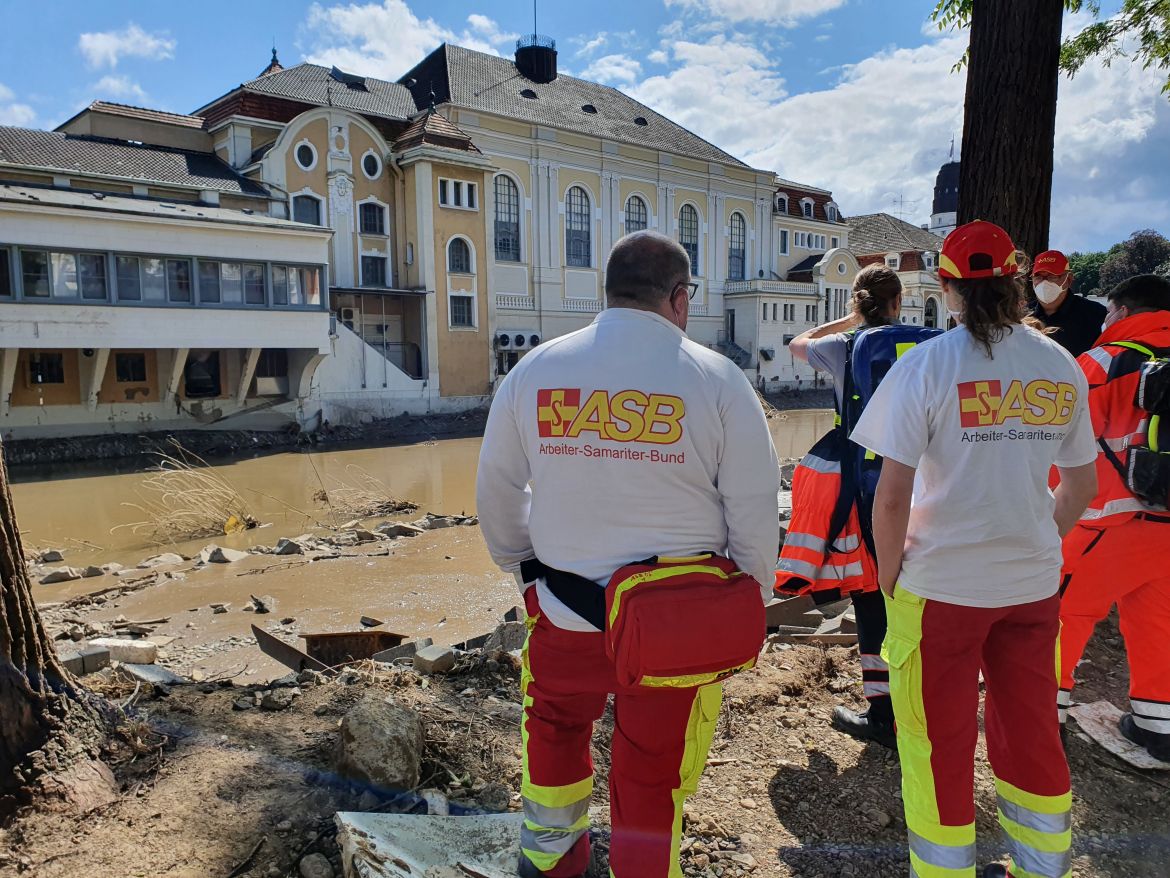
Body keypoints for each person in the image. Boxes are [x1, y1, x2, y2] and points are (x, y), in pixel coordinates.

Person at [476, 230, 779, 878]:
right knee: (651, 779)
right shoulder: (720, 379)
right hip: (677, 629)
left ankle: (551, 867)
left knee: (554, 742)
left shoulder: (535, 371)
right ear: (679, 298)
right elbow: (754, 516)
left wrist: (526, 574)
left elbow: (497, 493)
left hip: (561, 614)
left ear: (605, 294)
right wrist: (745, 606)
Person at [852, 221, 1098, 878]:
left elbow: (891, 495)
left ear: (947, 286)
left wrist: (889, 575)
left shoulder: (928, 365)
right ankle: (1041, 866)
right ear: (1019, 282)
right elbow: (1081, 482)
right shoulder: (1059, 364)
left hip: (943, 589)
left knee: (937, 741)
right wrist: (1041, 539)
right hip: (1032, 587)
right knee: (1031, 729)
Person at [781, 265, 939, 748]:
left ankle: (883, 717)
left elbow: (796, 342)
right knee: (928, 602)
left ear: (859, 303)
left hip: (868, 492)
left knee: (873, 603)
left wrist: (847, 322)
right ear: (899, 303)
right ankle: (928, 710)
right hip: (931, 488)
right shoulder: (937, 345)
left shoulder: (844, 347)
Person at [1057, 273, 1170, 762]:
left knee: (1062, 615)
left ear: (1122, 311)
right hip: (1165, 528)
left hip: (1106, 521)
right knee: (1157, 623)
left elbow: (1058, 445)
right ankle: (1156, 726)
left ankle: (1045, 714)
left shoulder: (1099, 363)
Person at [1030, 249, 1107, 357]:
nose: (1044, 282)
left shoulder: (1096, 314)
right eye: (1038, 277)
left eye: (1052, 276)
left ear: (1069, 279)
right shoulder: (1022, 315)